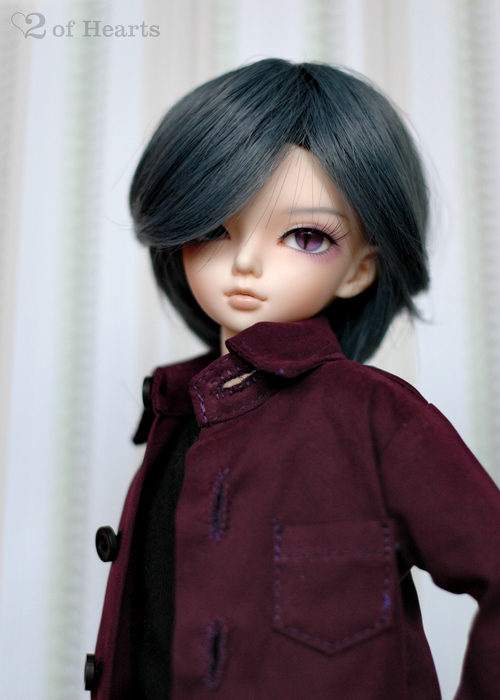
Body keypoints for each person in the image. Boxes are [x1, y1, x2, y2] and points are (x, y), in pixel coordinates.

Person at [85, 59, 500, 700]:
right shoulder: (177, 413)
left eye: (305, 236)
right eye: (214, 228)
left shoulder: (374, 418)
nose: (246, 262)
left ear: (360, 269)